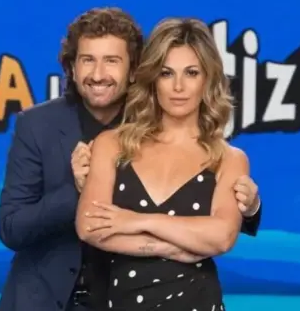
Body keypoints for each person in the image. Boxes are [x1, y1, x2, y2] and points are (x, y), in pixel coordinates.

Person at [0, 8, 261, 311]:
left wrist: (251, 207)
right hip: (44, 298)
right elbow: (12, 227)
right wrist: (76, 189)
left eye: (111, 60)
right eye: (88, 60)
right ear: (71, 67)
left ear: (134, 69)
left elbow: (215, 219)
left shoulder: (151, 120)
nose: (98, 74)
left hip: (121, 297)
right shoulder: (39, 125)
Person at [76, 17, 254, 310]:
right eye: (166, 73)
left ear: (207, 80)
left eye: (191, 73)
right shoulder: (112, 144)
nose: (178, 86)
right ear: (152, 79)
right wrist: (173, 246)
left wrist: (138, 221)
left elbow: (222, 237)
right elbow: (89, 227)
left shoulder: (229, 159)